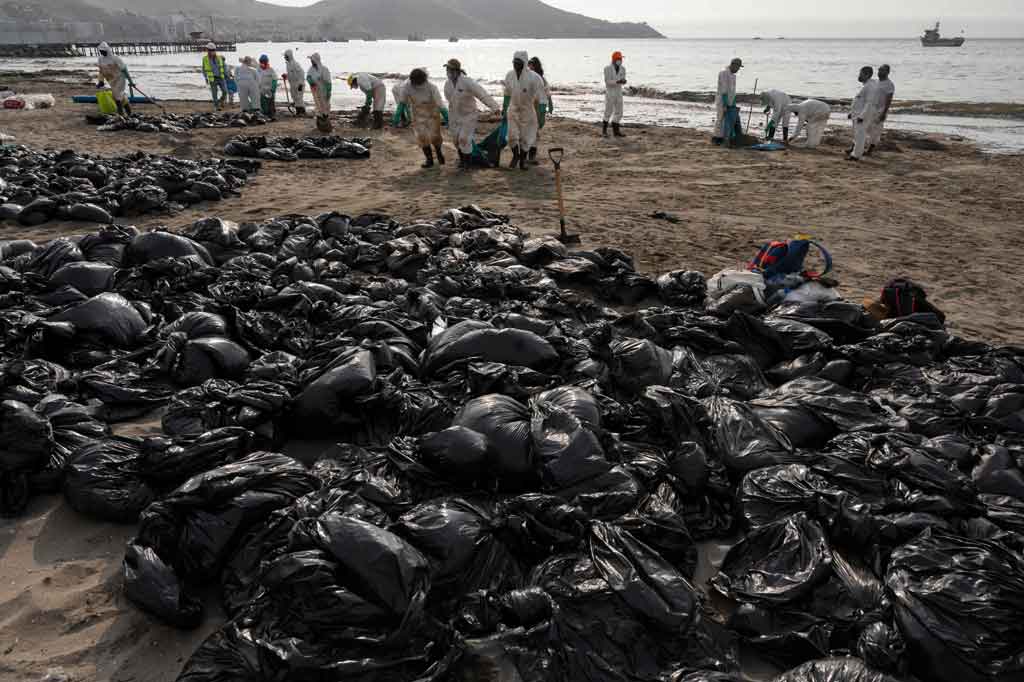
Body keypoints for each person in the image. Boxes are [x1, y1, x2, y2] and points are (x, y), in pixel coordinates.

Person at [444, 58, 501, 169]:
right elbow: (449, 100)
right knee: (456, 140)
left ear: (456, 71)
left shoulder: (467, 82)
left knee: (464, 139)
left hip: (469, 115)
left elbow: (482, 94)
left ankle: (467, 163)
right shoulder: (447, 84)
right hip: (454, 115)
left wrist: (494, 107)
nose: (448, 72)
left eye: (449, 70)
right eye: (447, 70)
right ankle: (462, 160)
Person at [503, 50, 545, 171]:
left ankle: (522, 161)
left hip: (527, 110)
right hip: (513, 108)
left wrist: (541, 114)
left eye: (518, 62)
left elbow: (542, 96)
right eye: (514, 62)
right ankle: (516, 155)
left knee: (527, 139)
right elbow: (507, 93)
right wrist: (504, 108)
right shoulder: (509, 75)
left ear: (524, 63)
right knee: (511, 136)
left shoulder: (534, 78)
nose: (515, 65)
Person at [398, 68, 447, 168]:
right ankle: (429, 160)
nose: (417, 85)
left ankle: (439, 153)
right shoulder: (407, 86)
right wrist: (398, 114)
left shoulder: (432, 87)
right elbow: (402, 102)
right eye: (415, 82)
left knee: (435, 136)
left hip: (432, 112)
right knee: (422, 137)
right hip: (417, 113)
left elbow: (439, 103)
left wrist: (446, 115)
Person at [848, 66, 878, 161]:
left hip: (862, 115)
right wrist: (851, 112)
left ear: (867, 75)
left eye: (861, 74)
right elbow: (860, 101)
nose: (859, 76)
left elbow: (869, 103)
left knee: (860, 135)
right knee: (857, 134)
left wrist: (862, 116)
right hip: (857, 114)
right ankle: (855, 153)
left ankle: (856, 155)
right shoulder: (867, 85)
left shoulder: (870, 86)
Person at [528, 56, 554, 163]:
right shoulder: (526, 77)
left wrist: (551, 104)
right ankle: (529, 157)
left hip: (538, 107)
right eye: (529, 66)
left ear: (536, 67)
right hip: (528, 106)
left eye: (531, 66)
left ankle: (531, 156)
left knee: (535, 130)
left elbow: (547, 93)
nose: (530, 69)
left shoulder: (541, 79)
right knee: (530, 132)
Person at [96, 42, 132, 116]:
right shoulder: (100, 59)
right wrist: (100, 81)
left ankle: (121, 114)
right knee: (120, 96)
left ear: (107, 50)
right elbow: (101, 71)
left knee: (116, 96)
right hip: (111, 80)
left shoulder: (115, 58)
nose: (102, 52)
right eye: (100, 51)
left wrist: (130, 81)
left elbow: (124, 69)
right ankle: (129, 112)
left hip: (120, 79)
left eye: (103, 51)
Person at [867, 64, 895, 155]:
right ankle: (857, 147)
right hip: (871, 108)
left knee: (876, 130)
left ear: (887, 72)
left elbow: (889, 100)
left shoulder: (889, 84)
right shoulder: (875, 82)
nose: (879, 72)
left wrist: (884, 112)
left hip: (880, 110)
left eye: (882, 70)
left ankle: (870, 150)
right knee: (865, 128)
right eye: (879, 70)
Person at [714, 58, 743, 144]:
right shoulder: (723, 73)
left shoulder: (733, 76)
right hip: (722, 100)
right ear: (733, 65)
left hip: (730, 100)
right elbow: (724, 90)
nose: (738, 69)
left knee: (729, 120)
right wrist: (725, 104)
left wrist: (733, 103)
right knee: (720, 118)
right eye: (738, 67)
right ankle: (716, 138)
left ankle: (724, 137)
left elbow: (733, 91)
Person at [603, 51, 626, 137]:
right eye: (618, 59)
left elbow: (623, 78)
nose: (620, 60)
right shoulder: (607, 68)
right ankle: (604, 131)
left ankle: (616, 131)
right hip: (610, 93)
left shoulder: (623, 69)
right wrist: (618, 81)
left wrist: (623, 81)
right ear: (614, 59)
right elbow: (607, 82)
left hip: (619, 92)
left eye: (620, 59)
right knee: (608, 111)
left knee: (619, 112)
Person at [307, 53, 332, 125]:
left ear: (316, 60)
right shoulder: (311, 69)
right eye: (311, 61)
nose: (311, 62)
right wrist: (310, 81)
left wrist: (329, 91)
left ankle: (326, 118)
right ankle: (319, 119)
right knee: (317, 105)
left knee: (325, 104)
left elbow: (328, 82)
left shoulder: (324, 69)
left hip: (323, 91)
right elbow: (308, 76)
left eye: (312, 60)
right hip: (315, 90)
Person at [203, 43, 229, 111]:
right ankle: (216, 106)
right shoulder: (205, 59)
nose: (212, 51)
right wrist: (205, 77)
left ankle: (221, 100)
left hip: (221, 77)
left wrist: (227, 75)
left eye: (213, 50)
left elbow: (224, 66)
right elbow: (204, 69)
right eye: (210, 50)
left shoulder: (220, 57)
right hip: (212, 78)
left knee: (225, 91)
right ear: (207, 50)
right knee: (214, 93)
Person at [282, 49, 306, 116]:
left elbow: (302, 73)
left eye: (286, 56)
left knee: (299, 98)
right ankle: (298, 111)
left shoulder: (295, 64)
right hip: (292, 84)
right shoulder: (288, 64)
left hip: (299, 84)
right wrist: (286, 76)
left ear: (289, 56)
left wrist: (301, 84)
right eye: (285, 56)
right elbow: (291, 74)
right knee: (294, 97)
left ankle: (302, 111)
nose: (285, 57)